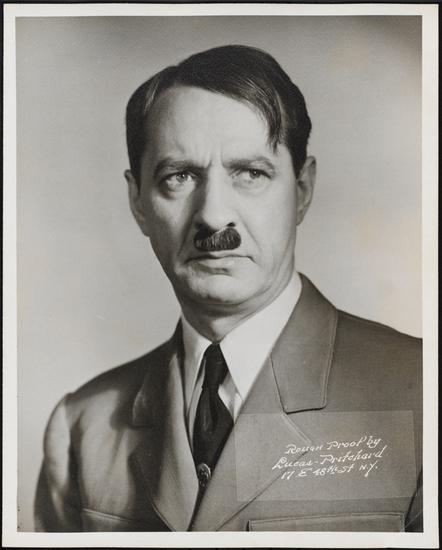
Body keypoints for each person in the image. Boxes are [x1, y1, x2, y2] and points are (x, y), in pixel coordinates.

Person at [34, 45, 422, 532]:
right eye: (179, 177)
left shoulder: (423, 393)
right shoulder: (83, 428)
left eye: (251, 174)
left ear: (302, 190)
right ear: (137, 202)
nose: (214, 216)